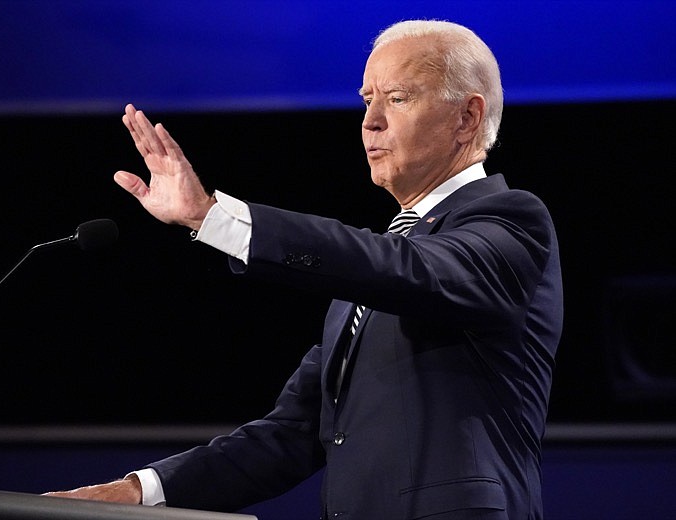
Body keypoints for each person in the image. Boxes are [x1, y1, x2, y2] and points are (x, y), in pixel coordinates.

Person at [47, 19, 563, 519]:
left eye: (398, 98)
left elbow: (409, 270)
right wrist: (135, 493)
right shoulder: (365, 279)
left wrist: (213, 217)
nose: (370, 121)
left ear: (468, 118)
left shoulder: (511, 220)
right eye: (367, 100)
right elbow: (289, 434)